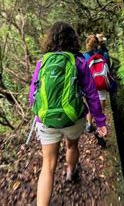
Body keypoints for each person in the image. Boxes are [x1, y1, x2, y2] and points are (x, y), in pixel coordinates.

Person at [29, 22, 107, 206]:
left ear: (50, 40)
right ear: (73, 40)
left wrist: (40, 114)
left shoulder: (42, 62)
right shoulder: (79, 62)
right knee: (72, 146)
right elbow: (92, 95)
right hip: (73, 119)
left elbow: (32, 95)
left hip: (46, 120)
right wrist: (100, 121)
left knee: (47, 166)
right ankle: (71, 172)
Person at [84, 35, 111, 132]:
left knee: (90, 104)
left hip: (90, 85)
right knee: (102, 101)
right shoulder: (104, 54)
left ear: (87, 44)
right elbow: (108, 69)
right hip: (101, 83)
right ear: (98, 43)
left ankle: (89, 124)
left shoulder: (85, 57)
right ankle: (100, 124)